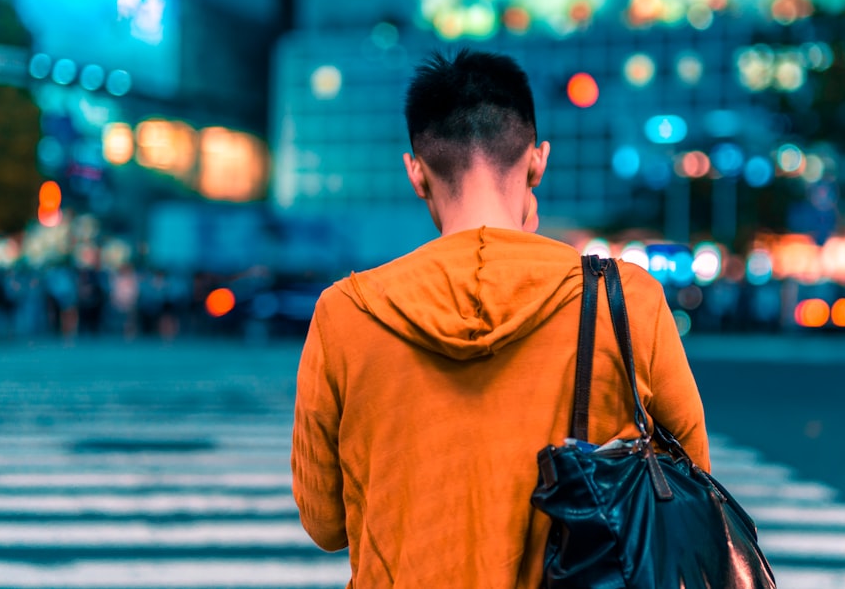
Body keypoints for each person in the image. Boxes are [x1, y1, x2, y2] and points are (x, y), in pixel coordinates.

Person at [291, 49, 710, 588]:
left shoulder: (346, 312)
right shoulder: (622, 298)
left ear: (416, 173)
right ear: (537, 160)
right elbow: (688, 481)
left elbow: (325, 523)